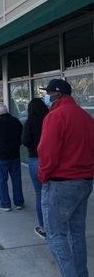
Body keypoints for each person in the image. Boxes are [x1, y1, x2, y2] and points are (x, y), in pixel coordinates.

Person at [38, 79, 94, 277]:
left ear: (58, 94)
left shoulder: (56, 116)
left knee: (56, 234)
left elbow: (47, 152)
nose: (46, 96)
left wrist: (43, 176)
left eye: (48, 92)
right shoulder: (86, 117)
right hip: (85, 181)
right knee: (76, 232)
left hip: (62, 182)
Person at [0, 104, 24, 211]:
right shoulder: (16, 121)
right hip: (15, 154)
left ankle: (5, 203)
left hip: (2, 155)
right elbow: (21, 135)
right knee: (16, 179)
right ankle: (19, 202)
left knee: (2, 180)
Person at [22, 98, 49, 239]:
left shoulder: (29, 123)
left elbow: (25, 141)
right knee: (52, 193)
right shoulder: (50, 120)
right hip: (52, 159)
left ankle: (44, 227)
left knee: (40, 194)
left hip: (35, 159)